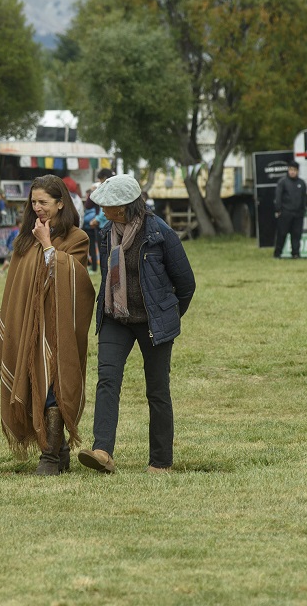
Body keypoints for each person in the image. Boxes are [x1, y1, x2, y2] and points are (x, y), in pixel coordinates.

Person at [78, 174, 195, 475]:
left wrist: (167, 316)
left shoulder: (160, 233)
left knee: (157, 389)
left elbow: (186, 284)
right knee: (107, 380)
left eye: (107, 204)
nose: (102, 208)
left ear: (124, 206)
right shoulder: (106, 232)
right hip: (115, 318)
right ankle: (103, 451)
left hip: (153, 323)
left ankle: (160, 461)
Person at [0, 175, 95, 475]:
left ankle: (49, 455)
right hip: (27, 326)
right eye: (34, 202)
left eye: (44, 202)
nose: (38, 208)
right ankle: (59, 449)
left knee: (53, 384)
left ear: (60, 203)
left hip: (58, 329)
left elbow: (74, 282)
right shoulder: (25, 239)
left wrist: (48, 244)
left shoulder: (77, 238)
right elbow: (16, 285)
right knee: (30, 381)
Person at [273, 161, 307, 259]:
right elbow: (278, 197)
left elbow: (304, 197)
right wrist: (278, 209)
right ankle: (277, 253)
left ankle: (295, 253)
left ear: (298, 171)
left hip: (298, 214)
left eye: (294, 170)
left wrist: (303, 209)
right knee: (282, 234)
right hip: (285, 212)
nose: (292, 172)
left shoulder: (301, 183)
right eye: (290, 170)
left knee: (296, 234)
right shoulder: (283, 182)